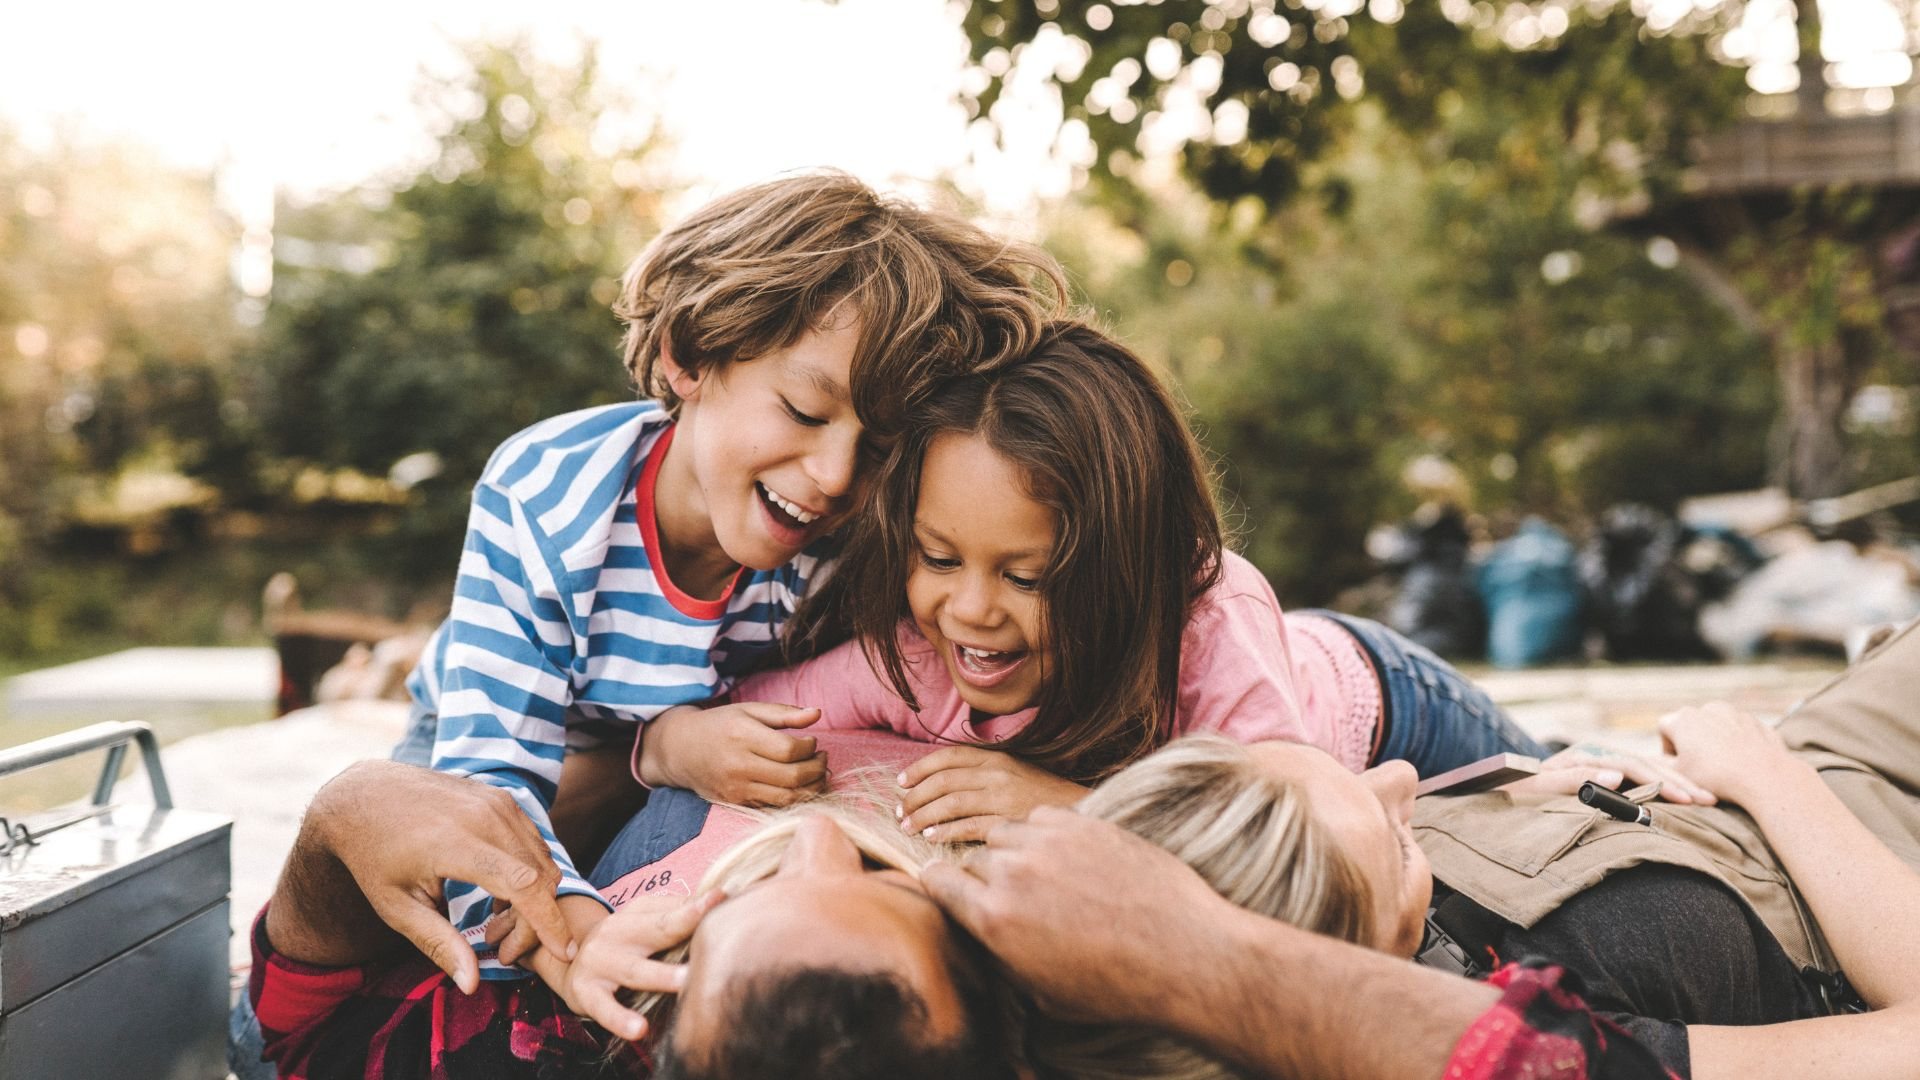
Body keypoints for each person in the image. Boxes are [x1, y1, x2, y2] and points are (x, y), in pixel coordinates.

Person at [388, 170, 1067, 976]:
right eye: (805, 414)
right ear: (691, 357)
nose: (834, 474)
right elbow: (485, 788)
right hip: (491, 739)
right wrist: (573, 931)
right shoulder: (549, 494)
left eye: (878, 444)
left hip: (683, 771)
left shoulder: (856, 535)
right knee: (427, 930)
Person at [638, 321, 1680, 845]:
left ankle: (1638, 757)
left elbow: (1297, 813)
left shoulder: (1208, 621)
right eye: (939, 558)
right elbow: (749, 719)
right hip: (1315, 709)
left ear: (1125, 572)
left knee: (1572, 796)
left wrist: (1070, 807)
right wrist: (667, 744)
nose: (971, 609)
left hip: (1383, 704)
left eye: (1030, 575)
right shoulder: (916, 652)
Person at [928, 617, 1920, 1080]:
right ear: (1346, 954)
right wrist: (1768, 775)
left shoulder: (1360, 910)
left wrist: (1537, 792)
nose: (1399, 776)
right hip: (1864, 827)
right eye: (1397, 843)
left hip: (1801, 761)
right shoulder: (1551, 1033)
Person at [243, 732, 1023, 1080]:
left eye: (722, 917)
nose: (818, 834)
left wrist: (344, 817)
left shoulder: (592, 1030)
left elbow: (301, 1038)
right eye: (887, 886)